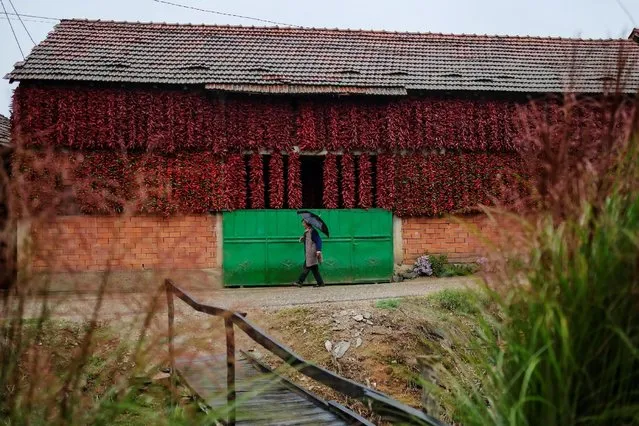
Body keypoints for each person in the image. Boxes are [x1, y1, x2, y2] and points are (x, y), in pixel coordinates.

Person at [294, 219, 325, 287]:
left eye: (303, 223)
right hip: (308, 252)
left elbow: (318, 240)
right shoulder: (307, 231)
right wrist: (303, 238)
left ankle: (300, 281)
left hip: (312, 253)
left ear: (307, 224)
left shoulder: (313, 231)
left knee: (307, 267)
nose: (303, 225)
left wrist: (318, 250)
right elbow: (308, 240)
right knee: (314, 269)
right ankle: (320, 283)